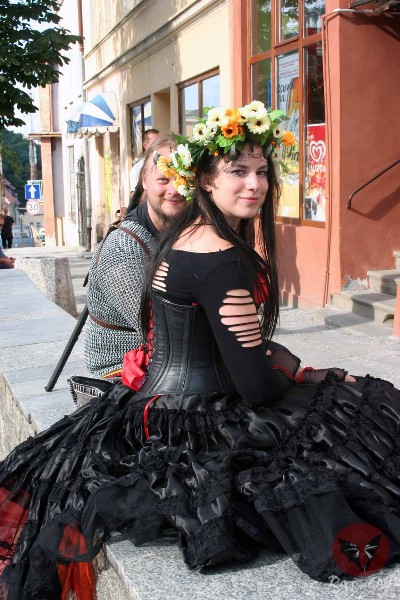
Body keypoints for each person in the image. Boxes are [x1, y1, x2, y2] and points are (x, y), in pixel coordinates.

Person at [1, 102, 400, 600]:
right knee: (366, 411)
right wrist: (299, 374)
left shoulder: (183, 234)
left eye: (261, 172)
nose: (254, 185)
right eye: (238, 172)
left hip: (151, 409)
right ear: (206, 181)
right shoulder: (222, 259)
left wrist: (288, 368)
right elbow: (256, 388)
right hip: (197, 419)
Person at [84, 134, 187, 378]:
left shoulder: (182, 230)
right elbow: (159, 329)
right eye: (163, 179)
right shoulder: (123, 248)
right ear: (144, 180)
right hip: (121, 370)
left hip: (169, 359)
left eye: (183, 178)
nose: (174, 189)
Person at [129, 128, 161, 202]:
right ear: (145, 145)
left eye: (161, 142)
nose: (159, 145)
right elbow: (134, 196)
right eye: (155, 143)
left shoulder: (166, 163)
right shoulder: (137, 169)